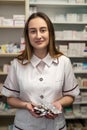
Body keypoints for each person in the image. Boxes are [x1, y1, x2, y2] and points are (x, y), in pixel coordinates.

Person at [1, 12, 80, 130]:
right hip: (25, 126)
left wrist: (59, 104)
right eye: (33, 31)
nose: (38, 36)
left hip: (55, 125)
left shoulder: (64, 62)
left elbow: (70, 95)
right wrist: (26, 105)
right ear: (27, 36)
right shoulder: (17, 64)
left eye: (43, 30)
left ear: (50, 33)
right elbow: (10, 98)